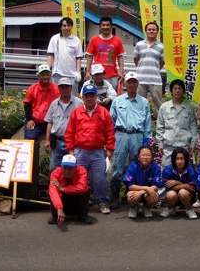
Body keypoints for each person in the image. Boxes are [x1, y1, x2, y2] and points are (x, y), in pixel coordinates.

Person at [65, 84, 115, 214]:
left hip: (98, 151)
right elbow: (70, 132)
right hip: (80, 151)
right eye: (87, 96)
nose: (89, 99)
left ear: (96, 96)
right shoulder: (77, 112)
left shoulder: (104, 112)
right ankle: (82, 203)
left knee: (100, 179)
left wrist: (109, 149)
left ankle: (103, 201)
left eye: (92, 95)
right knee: (81, 179)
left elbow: (110, 132)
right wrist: (71, 150)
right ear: (83, 97)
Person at [109, 72, 152, 209]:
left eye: (134, 82)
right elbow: (111, 121)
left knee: (138, 168)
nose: (132, 85)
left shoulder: (144, 102)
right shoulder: (117, 101)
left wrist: (145, 144)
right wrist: (110, 140)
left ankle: (135, 198)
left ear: (137, 84)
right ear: (125, 84)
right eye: (129, 82)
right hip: (121, 135)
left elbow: (147, 125)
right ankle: (115, 198)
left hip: (137, 136)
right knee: (118, 168)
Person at [156, 79, 199, 168]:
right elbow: (160, 126)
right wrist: (160, 143)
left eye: (180, 88)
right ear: (171, 91)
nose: (177, 91)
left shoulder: (189, 107)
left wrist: (192, 143)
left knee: (183, 173)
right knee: (166, 173)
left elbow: (193, 126)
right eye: (175, 88)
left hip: (183, 147)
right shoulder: (164, 107)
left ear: (183, 91)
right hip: (168, 147)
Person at [44, 77, 83, 172]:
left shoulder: (79, 103)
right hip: (57, 141)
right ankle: (54, 187)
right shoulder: (54, 104)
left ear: (71, 88)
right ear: (59, 89)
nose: (64, 89)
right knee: (54, 169)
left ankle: (70, 187)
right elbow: (50, 122)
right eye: (62, 87)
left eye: (67, 87)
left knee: (72, 169)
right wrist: (47, 140)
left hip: (73, 143)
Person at [48, 154, 92, 225]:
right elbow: (53, 190)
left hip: (76, 199)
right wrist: (59, 208)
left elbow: (82, 188)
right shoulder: (55, 173)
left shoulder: (82, 171)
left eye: (70, 168)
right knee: (50, 191)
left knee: (87, 190)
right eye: (65, 168)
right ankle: (55, 216)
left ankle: (82, 215)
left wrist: (63, 189)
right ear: (61, 167)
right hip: (62, 202)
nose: (67, 171)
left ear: (75, 168)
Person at [85, 16, 125, 91]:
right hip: (97, 75)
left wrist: (121, 72)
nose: (105, 27)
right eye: (103, 25)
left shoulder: (117, 40)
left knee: (112, 98)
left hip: (113, 75)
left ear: (111, 26)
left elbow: (120, 57)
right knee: (97, 97)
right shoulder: (94, 40)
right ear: (100, 26)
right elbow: (90, 56)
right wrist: (87, 72)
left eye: (107, 25)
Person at [134, 20, 165, 116]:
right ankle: (139, 122)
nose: (151, 31)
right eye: (149, 29)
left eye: (153, 30)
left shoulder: (161, 46)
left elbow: (162, 62)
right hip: (141, 79)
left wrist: (154, 69)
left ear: (157, 32)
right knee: (139, 103)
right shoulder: (139, 44)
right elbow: (136, 60)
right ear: (146, 31)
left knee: (158, 104)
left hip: (155, 79)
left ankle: (160, 124)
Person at [123, 146, 163, 219]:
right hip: (135, 191)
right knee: (131, 196)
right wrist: (146, 188)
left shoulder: (155, 167)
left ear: (151, 157)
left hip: (147, 193)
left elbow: (156, 186)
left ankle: (147, 207)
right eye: (143, 155)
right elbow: (130, 185)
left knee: (154, 197)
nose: (146, 157)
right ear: (138, 157)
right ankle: (133, 207)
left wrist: (142, 192)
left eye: (148, 155)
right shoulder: (133, 166)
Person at [47, 17, 84, 95]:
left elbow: (78, 58)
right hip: (57, 74)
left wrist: (78, 72)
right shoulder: (54, 39)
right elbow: (51, 56)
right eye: (64, 26)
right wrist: (47, 69)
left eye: (68, 25)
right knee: (56, 96)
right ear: (61, 27)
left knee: (72, 98)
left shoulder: (76, 40)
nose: (66, 28)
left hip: (72, 75)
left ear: (71, 27)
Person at [23, 64, 59, 140]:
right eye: (42, 75)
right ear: (38, 76)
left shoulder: (56, 88)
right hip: (36, 121)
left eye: (47, 74)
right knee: (29, 138)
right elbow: (27, 104)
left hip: (52, 121)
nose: (45, 77)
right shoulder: (32, 88)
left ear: (50, 75)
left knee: (58, 138)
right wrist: (29, 119)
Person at [160, 147, 198, 219]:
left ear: (186, 159)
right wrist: (184, 185)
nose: (179, 161)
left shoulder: (191, 170)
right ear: (173, 160)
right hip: (173, 194)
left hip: (188, 196)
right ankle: (171, 208)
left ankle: (189, 209)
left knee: (183, 192)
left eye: (182, 159)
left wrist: (176, 183)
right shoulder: (168, 170)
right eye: (177, 159)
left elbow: (192, 188)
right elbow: (168, 187)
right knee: (170, 194)